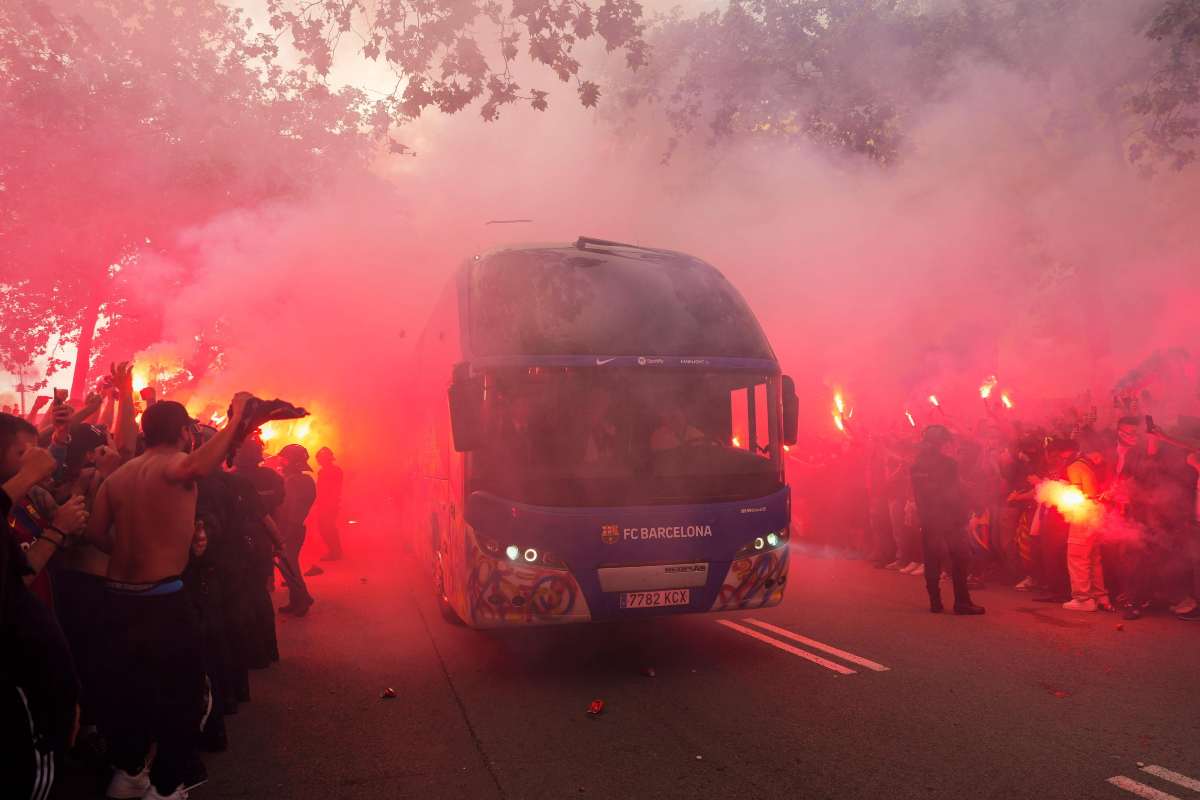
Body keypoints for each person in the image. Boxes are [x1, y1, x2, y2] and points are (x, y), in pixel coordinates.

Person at [85, 394, 251, 800]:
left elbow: (94, 534)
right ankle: (166, 786)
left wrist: (133, 552)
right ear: (182, 432)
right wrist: (238, 417)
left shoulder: (118, 477)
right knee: (187, 697)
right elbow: (196, 464)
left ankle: (129, 773)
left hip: (117, 599)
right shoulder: (175, 466)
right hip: (161, 602)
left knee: (131, 690)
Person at [1, 415, 79, 800]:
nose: (36, 460)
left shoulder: (27, 500)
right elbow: (23, 574)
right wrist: (57, 530)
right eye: (22, 453)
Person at [908, 425, 985, 615]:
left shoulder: (916, 465)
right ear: (941, 442)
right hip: (949, 519)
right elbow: (953, 493)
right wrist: (967, 511)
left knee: (932, 559)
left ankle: (935, 602)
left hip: (928, 518)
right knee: (960, 557)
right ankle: (962, 602)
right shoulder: (948, 464)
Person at [276, 444, 316, 613]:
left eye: (285, 459)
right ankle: (296, 600)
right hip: (291, 528)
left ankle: (303, 600)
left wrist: (287, 532)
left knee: (289, 566)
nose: (282, 463)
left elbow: (295, 510)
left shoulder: (297, 482)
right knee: (287, 565)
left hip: (292, 529)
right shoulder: (299, 480)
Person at [314, 447, 344, 562]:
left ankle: (335, 552)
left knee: (327, 528)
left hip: (328, 504)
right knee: (328, 527)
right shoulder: (332, 470)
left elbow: (325, 489)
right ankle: (335, 551)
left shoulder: (330, 471)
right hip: (328, 503)